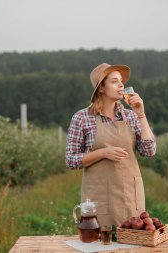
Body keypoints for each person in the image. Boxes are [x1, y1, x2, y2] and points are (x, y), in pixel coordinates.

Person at [65, 63, 156, 226]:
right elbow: (71, 160)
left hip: (130, 195)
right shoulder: (82, 118)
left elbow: (149, 151)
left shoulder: (131, 116)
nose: (121, 85)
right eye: (114, 81)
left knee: (132, 244)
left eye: (121, 81)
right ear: (101, 88)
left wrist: (141, 115)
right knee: (101, 244)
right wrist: (103, 153)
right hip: (99, 197)